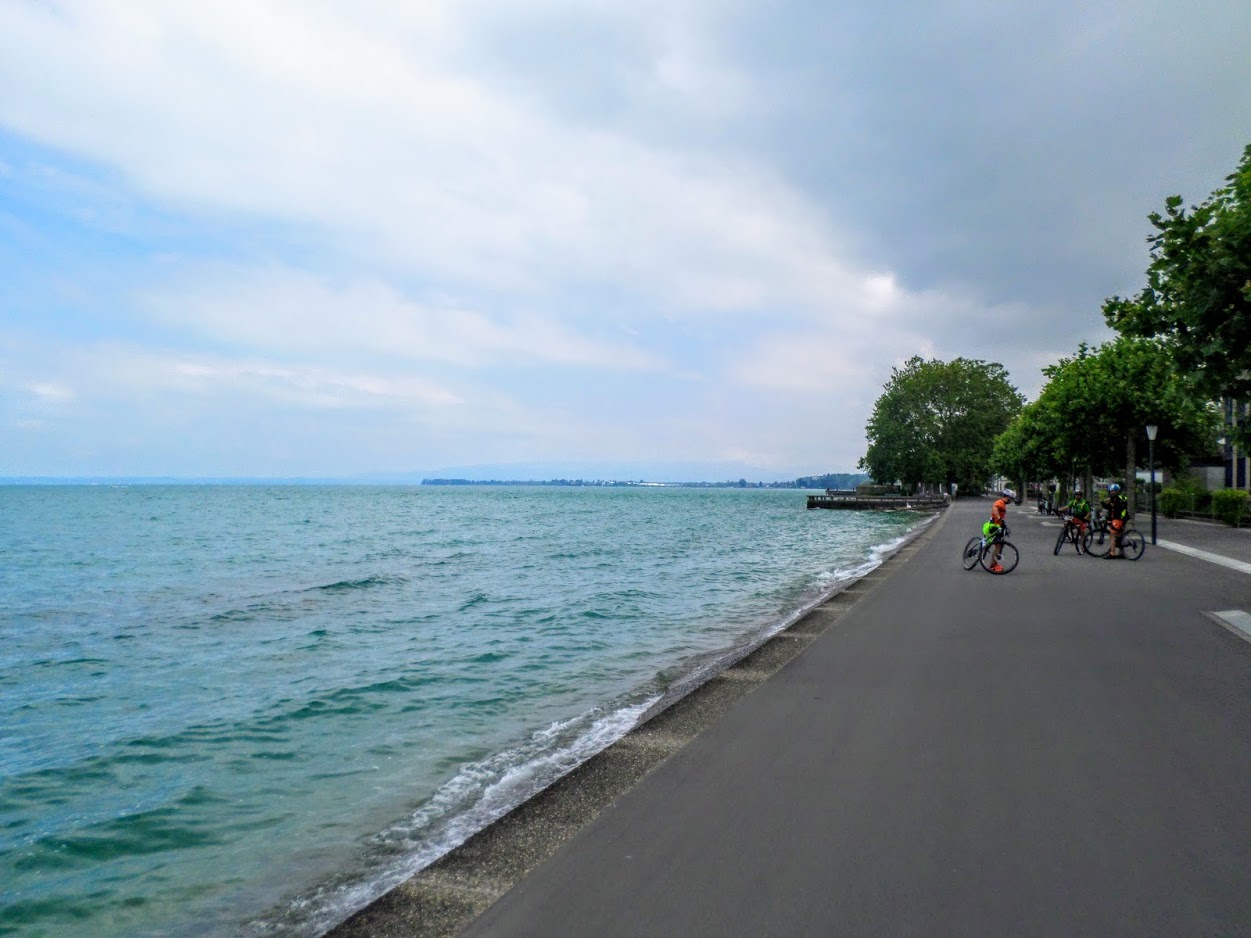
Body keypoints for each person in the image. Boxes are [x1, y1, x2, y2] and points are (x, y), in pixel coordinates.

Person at [983, 488, 1013, 572]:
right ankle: (993, 566)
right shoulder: (1000, 502)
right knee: (998, 546)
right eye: (1011, 499)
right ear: (1008, 497)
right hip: (993, 526)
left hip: (997, 526)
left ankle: (984, 555)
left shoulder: (1003, 504)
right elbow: (995, 508)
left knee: (998, 545)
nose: (1011, 501)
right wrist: (999, 518)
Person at [1101, 483, 1129, 559]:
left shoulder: (1118, 499)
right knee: (1119, 536)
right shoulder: (1115, 499)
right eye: (1111, 491)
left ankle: (1112, 553)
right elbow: (1108, 507)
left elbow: (1115, 508)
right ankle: (1121, 553)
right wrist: (1103, 502)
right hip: (1121, 518)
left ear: (1117, 491)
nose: (1112, 492)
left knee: (1112, 535)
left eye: (1113, 491)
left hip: (1118, 519)